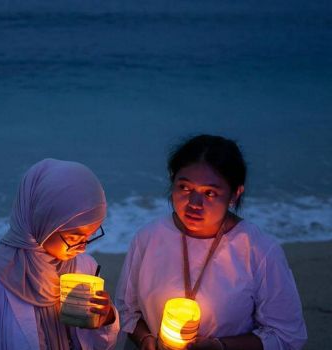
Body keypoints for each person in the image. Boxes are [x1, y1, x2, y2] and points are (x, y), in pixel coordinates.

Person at [115, 135, 307, 350]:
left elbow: (286, 334)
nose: (194, 203)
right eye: (185, 188)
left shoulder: (259, 250)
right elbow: (127, 310)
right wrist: (145, 340)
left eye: (210, 193)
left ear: (235, 193)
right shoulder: (149, 237)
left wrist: (220, 346)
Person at [0, 158, 119, 350]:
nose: (83, 247)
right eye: (74, 237)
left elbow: (100, 346)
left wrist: (107, 319)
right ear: (44, 222)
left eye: (90, 236)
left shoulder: (85, 268)